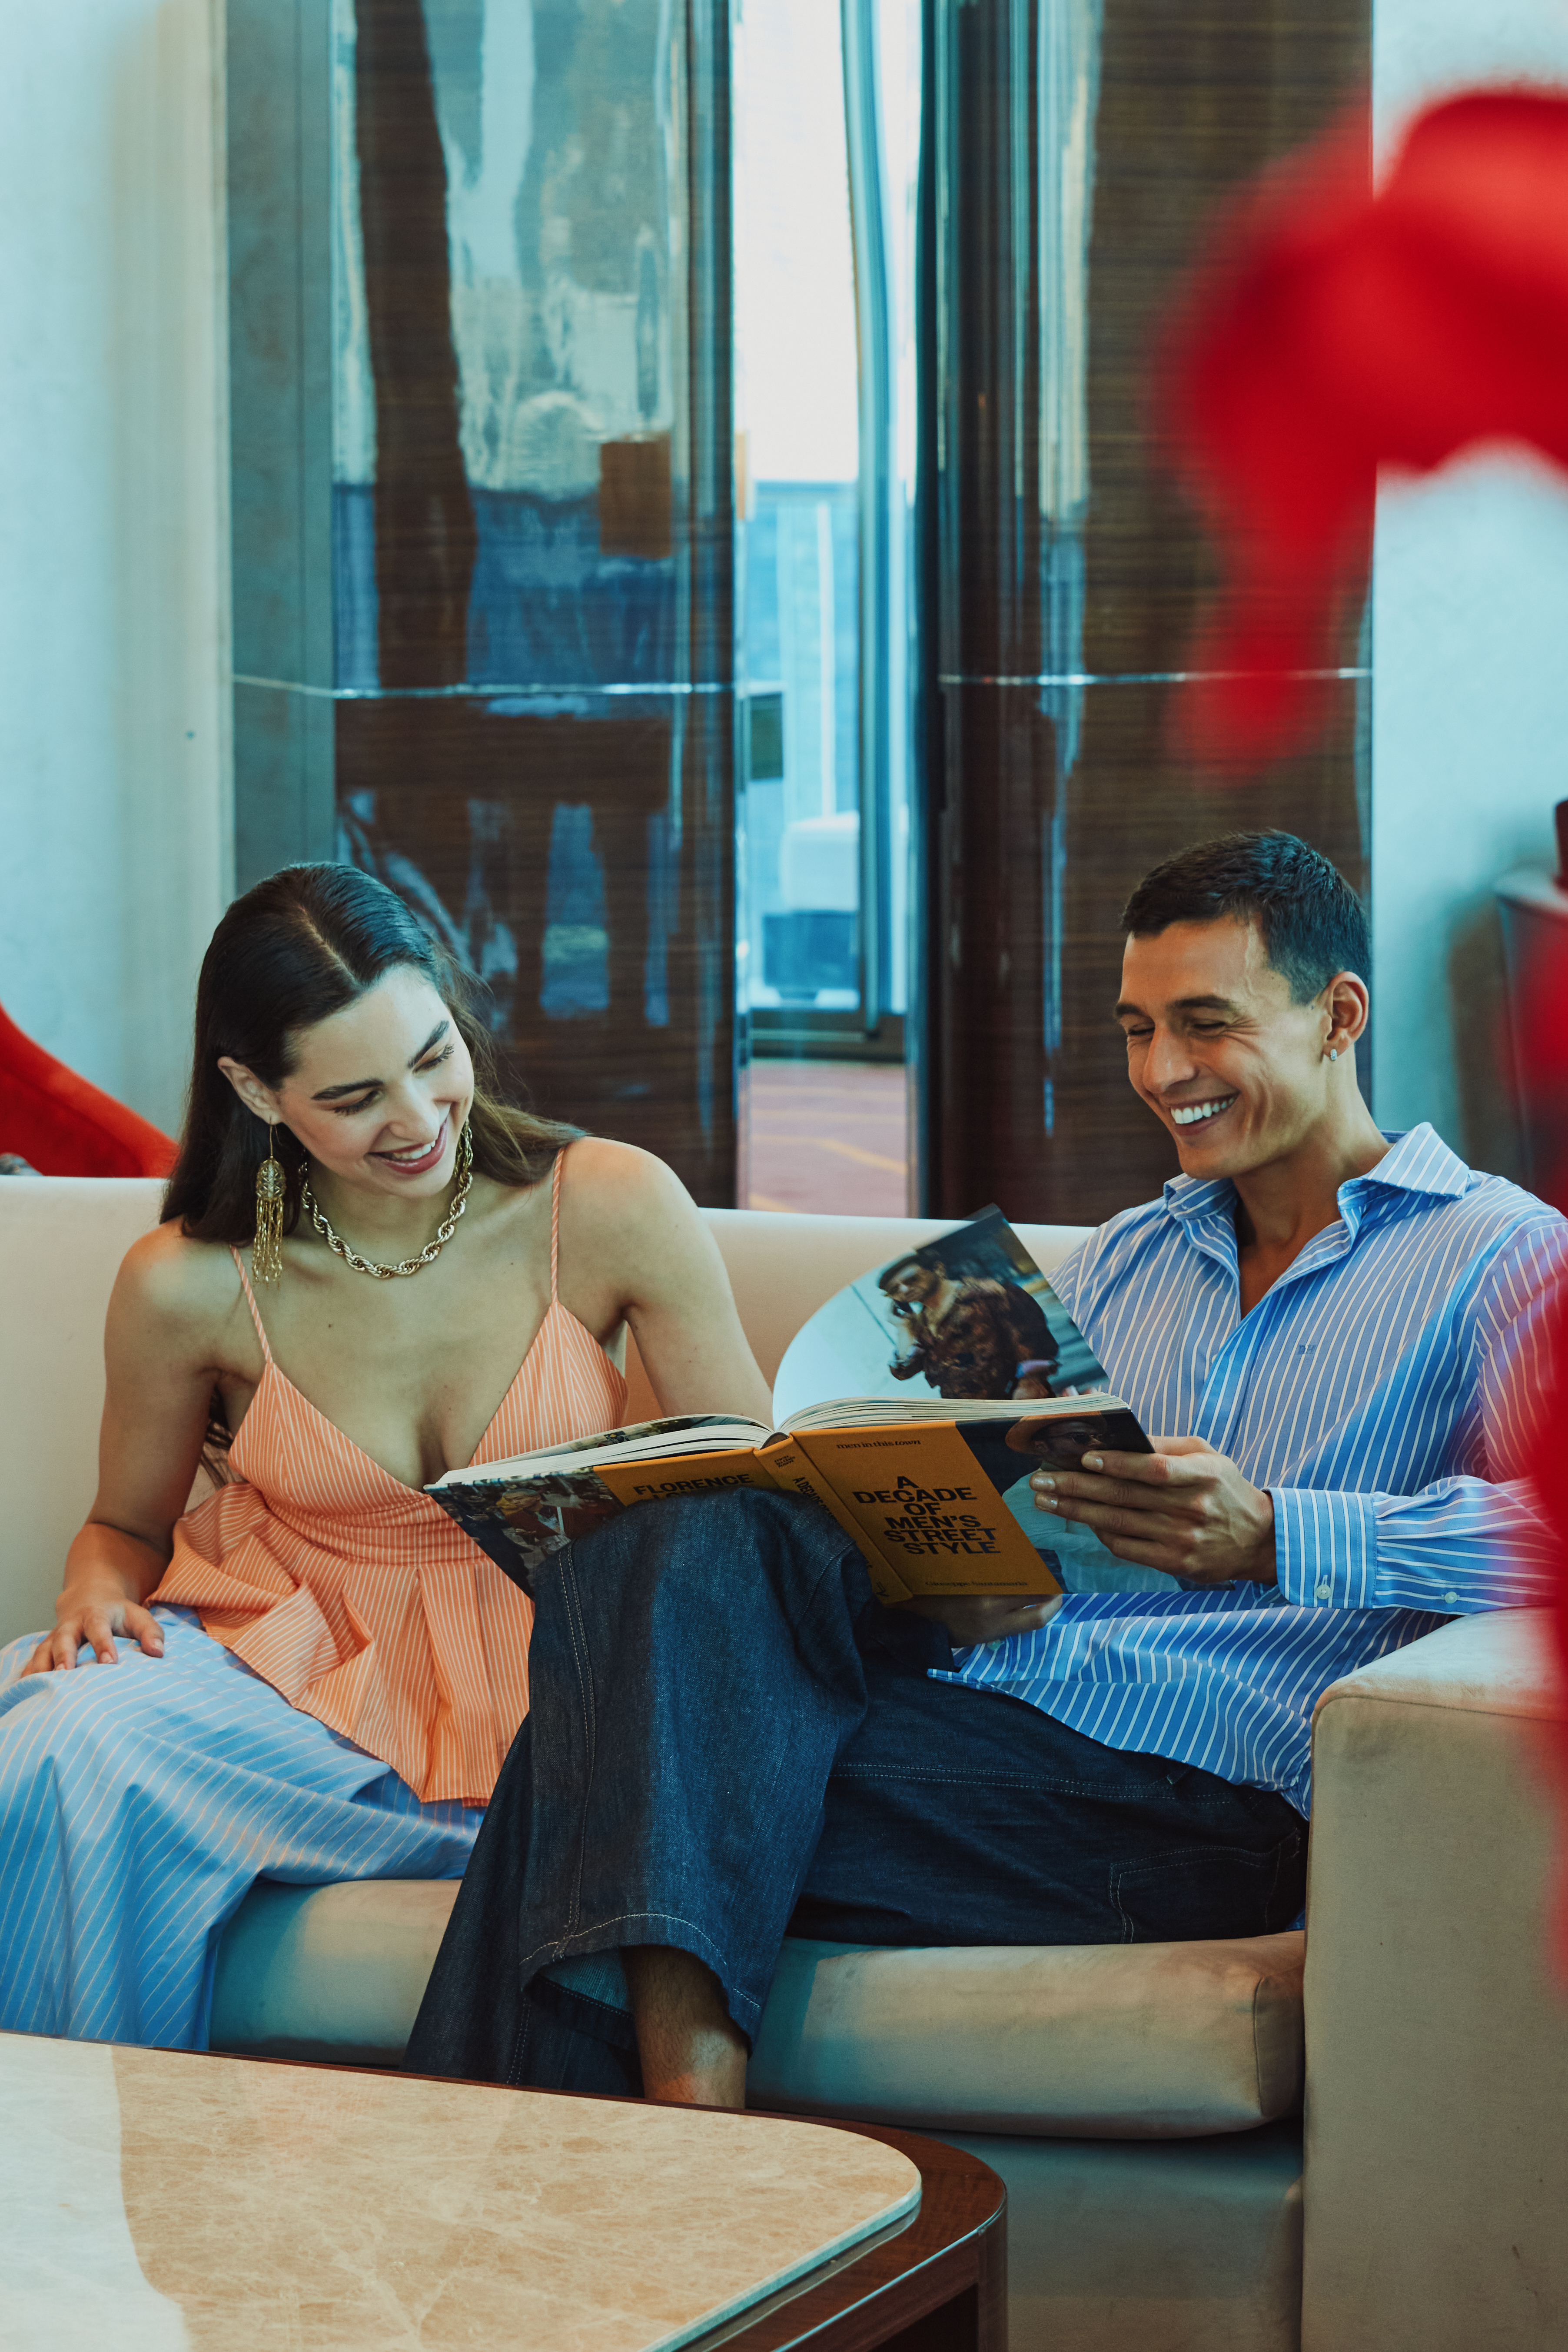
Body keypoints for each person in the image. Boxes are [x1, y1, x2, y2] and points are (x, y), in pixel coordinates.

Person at [405, 829, 1565, 2109]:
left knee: (610, 1752)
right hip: (985, 1718)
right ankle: (692, 2166)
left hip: (1200, 1807)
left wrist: (1275, 1534)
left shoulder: (1497, 1256)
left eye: (1202, 1023)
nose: (1159, 1071)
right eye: (1133, 1029)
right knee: (677, 1551)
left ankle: (603, 2192)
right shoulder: (1128, 1254)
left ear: (1335, 1013)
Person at [0, 863, 771, 2049]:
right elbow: (126, 1527)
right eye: (356, 1094)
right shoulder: (188, 1282)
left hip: (570, 1692)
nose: (415, 1119)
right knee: (57, 1739)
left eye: (433, 1055)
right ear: (256, 1090)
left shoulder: (607, 1200)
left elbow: (748, 1494)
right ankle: (76, 2198)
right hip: (294, 1683)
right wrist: (94, 1587)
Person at [880, 1254, 1060, 1398]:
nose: (904, 1290)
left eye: (912, 1279)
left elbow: (1033, 1338)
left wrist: (1030, 1382)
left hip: (1014, 1397)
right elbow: (904, 1372)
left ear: (938, 1269)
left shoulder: (989, 1294)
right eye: (895, 1290)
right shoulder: (921, 1324)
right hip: (969, 1414)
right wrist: (903, 1328)